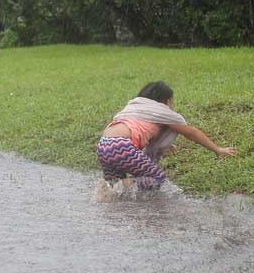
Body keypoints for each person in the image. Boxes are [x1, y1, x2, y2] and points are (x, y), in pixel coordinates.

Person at [97, 81, 236, 191]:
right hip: (122, 146)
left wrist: (163, 143)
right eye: (171, 101)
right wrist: (217, 149)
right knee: (157, 180)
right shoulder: (160, 111)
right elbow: (192, 133)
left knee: (115, 194)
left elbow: (144, 129)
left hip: (103, 145)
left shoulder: (134, 107)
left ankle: (110, 187)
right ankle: (120, 185)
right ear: (165, 100)